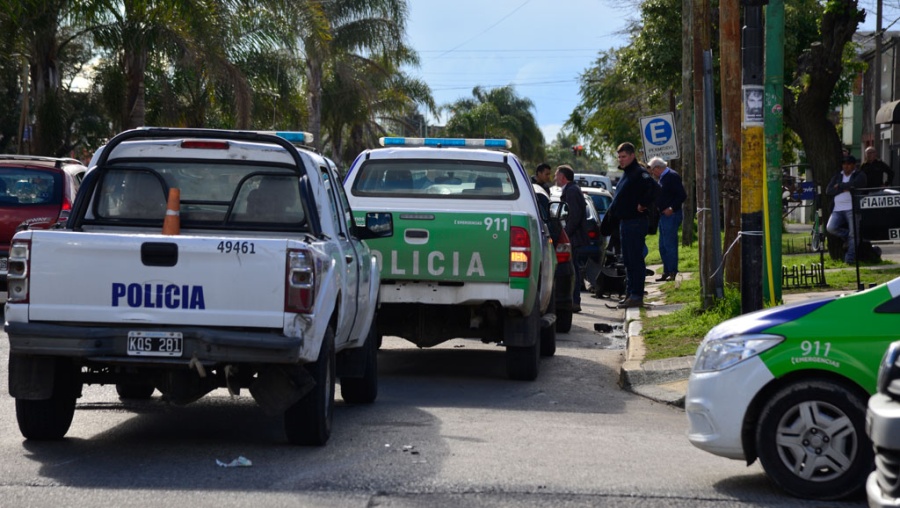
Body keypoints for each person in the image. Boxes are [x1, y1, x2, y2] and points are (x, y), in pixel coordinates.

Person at [605, 142, 657, 309]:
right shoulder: (627, 173)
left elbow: (654, 189)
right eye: (619, 157)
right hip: (625, 222)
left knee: (635, 260)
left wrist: (643, 203)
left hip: (635, 222)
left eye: (624, 156)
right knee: (628, 261)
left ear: (632, 156)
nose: (621, 160)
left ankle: (636, 295)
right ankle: (630, 294)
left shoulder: (639, 173)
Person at [555, 164, 589, 313]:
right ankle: (573, 300)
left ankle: (574, 301)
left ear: (563, 177)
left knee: (572, 270)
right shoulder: (571, 189)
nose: (555, 178)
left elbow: (574, 216)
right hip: (573, 237)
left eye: (556, 175)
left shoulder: (572, 191)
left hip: (573, 238)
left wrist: (565, 235)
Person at [648, 157, 687, 282]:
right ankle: (666, 271)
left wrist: (672, 208)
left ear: (657, 168)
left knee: (670, 245)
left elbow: (682, 195)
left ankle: (673, 272)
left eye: (653, 170)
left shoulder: (671, 176)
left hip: (671, 215)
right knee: (663, 246)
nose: (652, 173)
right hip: (663, 216)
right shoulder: (663, 177)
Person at [826, 154, 867, 264]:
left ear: (854, 165)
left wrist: (839, 186)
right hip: (837, 209)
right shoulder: (837, 176)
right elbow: (829, 190)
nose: (845, 166)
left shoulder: (859, 174)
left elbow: (856, 184)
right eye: (844, 164)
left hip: (852, 208)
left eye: (848, 164)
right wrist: (844, 188)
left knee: (854, 234)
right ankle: (849, 237)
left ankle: (849, 259)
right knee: (831, 228)